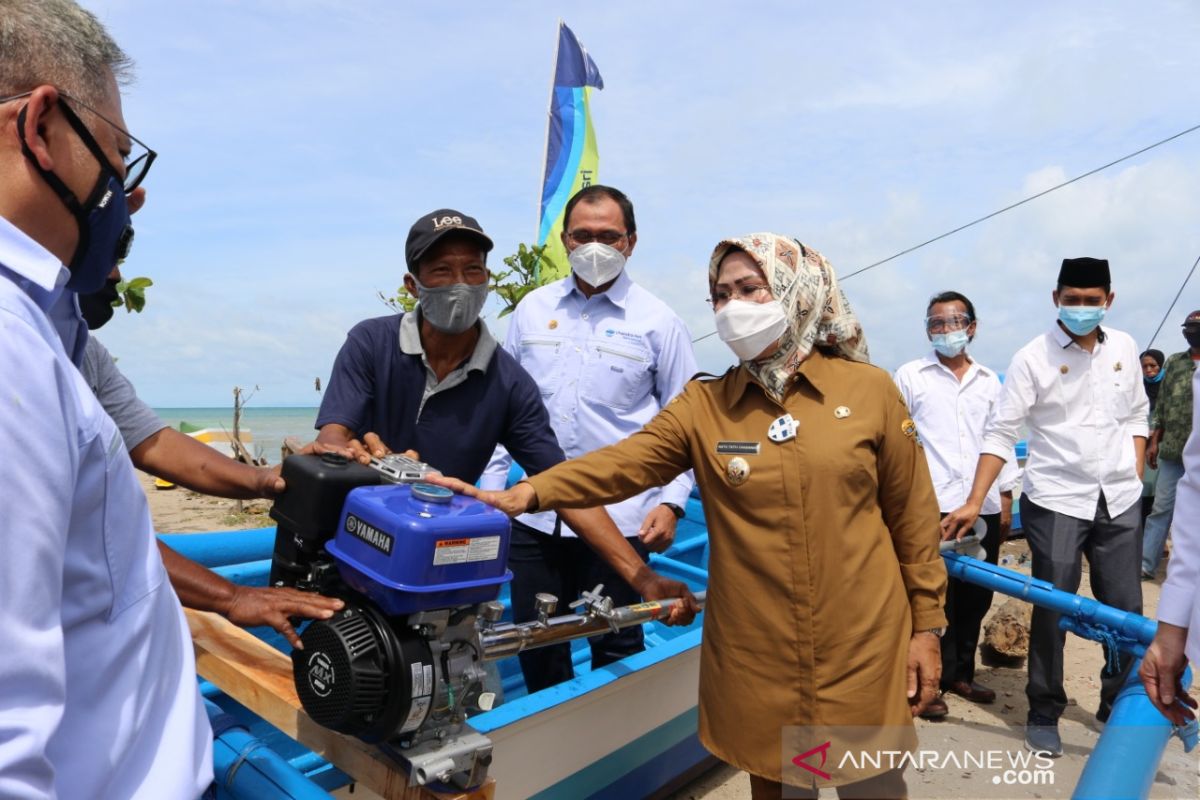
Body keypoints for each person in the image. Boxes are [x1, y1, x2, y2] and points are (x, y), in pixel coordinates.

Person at [434, 233, 947, 800]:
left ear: (797, 292)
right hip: (758, 646)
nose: (732, 307)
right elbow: (622, 464)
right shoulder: (707, 404)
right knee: (780, 784)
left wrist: (926, 628)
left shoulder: (871, 391)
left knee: (871, 785)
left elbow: (913, 521)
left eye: (750, 289)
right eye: (720, 295)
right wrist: (527, 493)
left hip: (863, 639)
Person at [0, 1, 210, 796]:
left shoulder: (47, 325)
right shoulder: (11, 349)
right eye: (119, 155)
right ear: (43, 126)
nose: (125, 189)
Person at [315, 208, 694, 612]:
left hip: (431, 560)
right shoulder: (371, 342)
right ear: (412, 285)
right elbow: (333, 436)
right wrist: (358, 456)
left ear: (488, 281)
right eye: (441, 270)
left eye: (473, 270)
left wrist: (644, 577)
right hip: (348, 542)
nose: (459, 284)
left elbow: (561, 484)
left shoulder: (508, 383)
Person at [479, 186, 698, 691]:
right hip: (535, 518)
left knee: (618, 639)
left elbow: (685, 423)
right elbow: (500, 412)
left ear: (631, 242)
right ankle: (551, 749)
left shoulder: (659, 323)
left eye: (607, 236)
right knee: (536, 641)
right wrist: (490, 498)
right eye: (582, 235)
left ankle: (619, 748)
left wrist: (672, 503)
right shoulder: (531, 312)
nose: (594, 246)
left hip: (620, 519)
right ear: (565, 239)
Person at [64, 269, 347, 648]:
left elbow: (154, 441)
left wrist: (265, 480)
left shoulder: (86, 352)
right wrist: (231, 597)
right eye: (111, 255)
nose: (116, 274)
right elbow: (85, 531)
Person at [942, 257, 1148, 757]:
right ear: (1056, 298)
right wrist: (975, 500)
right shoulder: (1032, 358)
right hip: (1056, 498)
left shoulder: (1123, 347)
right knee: (1054, 605)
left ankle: (1117, 701)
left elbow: (1138, 415)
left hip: (1118, 497)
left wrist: (1135, 475)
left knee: (1125, 609)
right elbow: (1001, 432)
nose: (1081, 309)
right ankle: (1044, 708)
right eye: (1072, 300)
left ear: (1109, 300)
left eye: (1091, 300)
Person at [894, 290, 1017, 719]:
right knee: (931, 597)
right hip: (930, 505)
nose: (946, 330)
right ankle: (925, 682)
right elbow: (897, 442)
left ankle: (960, 674)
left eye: (954, 321)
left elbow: (999, 441)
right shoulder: (910, 377)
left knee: (975, 596)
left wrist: (1003, 498)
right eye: (936, 323)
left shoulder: (989, 381)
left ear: (973, 327)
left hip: (978, 504)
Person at [1139, 367, 1200, 726]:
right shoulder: (1184, 369)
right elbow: (1195, 495)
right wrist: (1173, 629)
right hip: (1172, 456)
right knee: (1163, 509)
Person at [1140, 311, 1200, 580]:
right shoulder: (1175, 363)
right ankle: (1145, 564)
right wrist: (1154, 441)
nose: (1192, 332)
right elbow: (1161, 407)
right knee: (1161, 509)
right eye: (1188, 328)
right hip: (1174, 451)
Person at [1140, 348, 1165, 517]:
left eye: (1153, 365)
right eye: (1144, 366)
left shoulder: (1170, 386)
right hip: (1141, 444)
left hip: (1164, 445)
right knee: (1143, 490)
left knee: (1161, 491)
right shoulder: (1136, 388)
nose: (1149, 370)